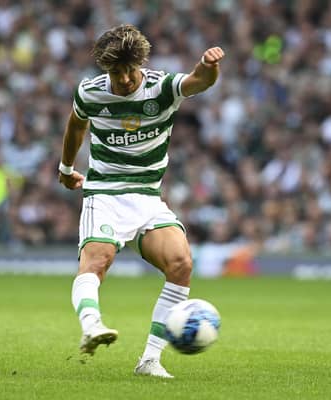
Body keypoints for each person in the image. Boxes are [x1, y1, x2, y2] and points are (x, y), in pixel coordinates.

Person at [57, 24, 224, 378]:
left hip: (147, 197)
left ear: (140, 65)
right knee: (97, 261)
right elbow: (75, 126)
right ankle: (92, 327)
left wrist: (209, 67)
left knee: (181, 264)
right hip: (105, 194)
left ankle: (150, 359)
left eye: (130, 70)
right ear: (107, 70)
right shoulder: (90, 92)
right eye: (117, 72)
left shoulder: (161, 88)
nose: (125, 79)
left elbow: (198, 81)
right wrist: (66, 167)